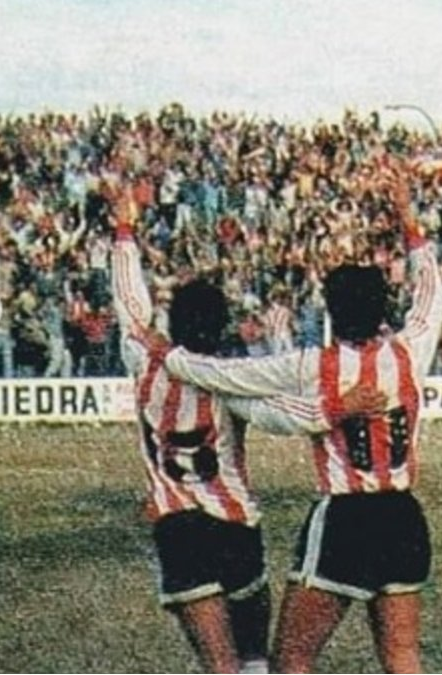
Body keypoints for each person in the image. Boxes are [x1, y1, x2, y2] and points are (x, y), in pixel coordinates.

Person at [149, 172, 442, 673]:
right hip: (404, 515)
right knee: (402, 656)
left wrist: (175, 359)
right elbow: (431, 292)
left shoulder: (313, 366)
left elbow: (237, 379)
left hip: (346, 518)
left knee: (291, 659)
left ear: (331, 310)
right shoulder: (410, 351)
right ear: (383, 311)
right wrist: (408, 217)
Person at [111, 200, 275, 674]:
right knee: (254, 660)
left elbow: (129, 303)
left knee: (217, 664)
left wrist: (125, 231)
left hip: (178, 526)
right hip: (237, 522)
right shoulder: (233, 376)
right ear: (221, 324)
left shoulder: (146, 361)